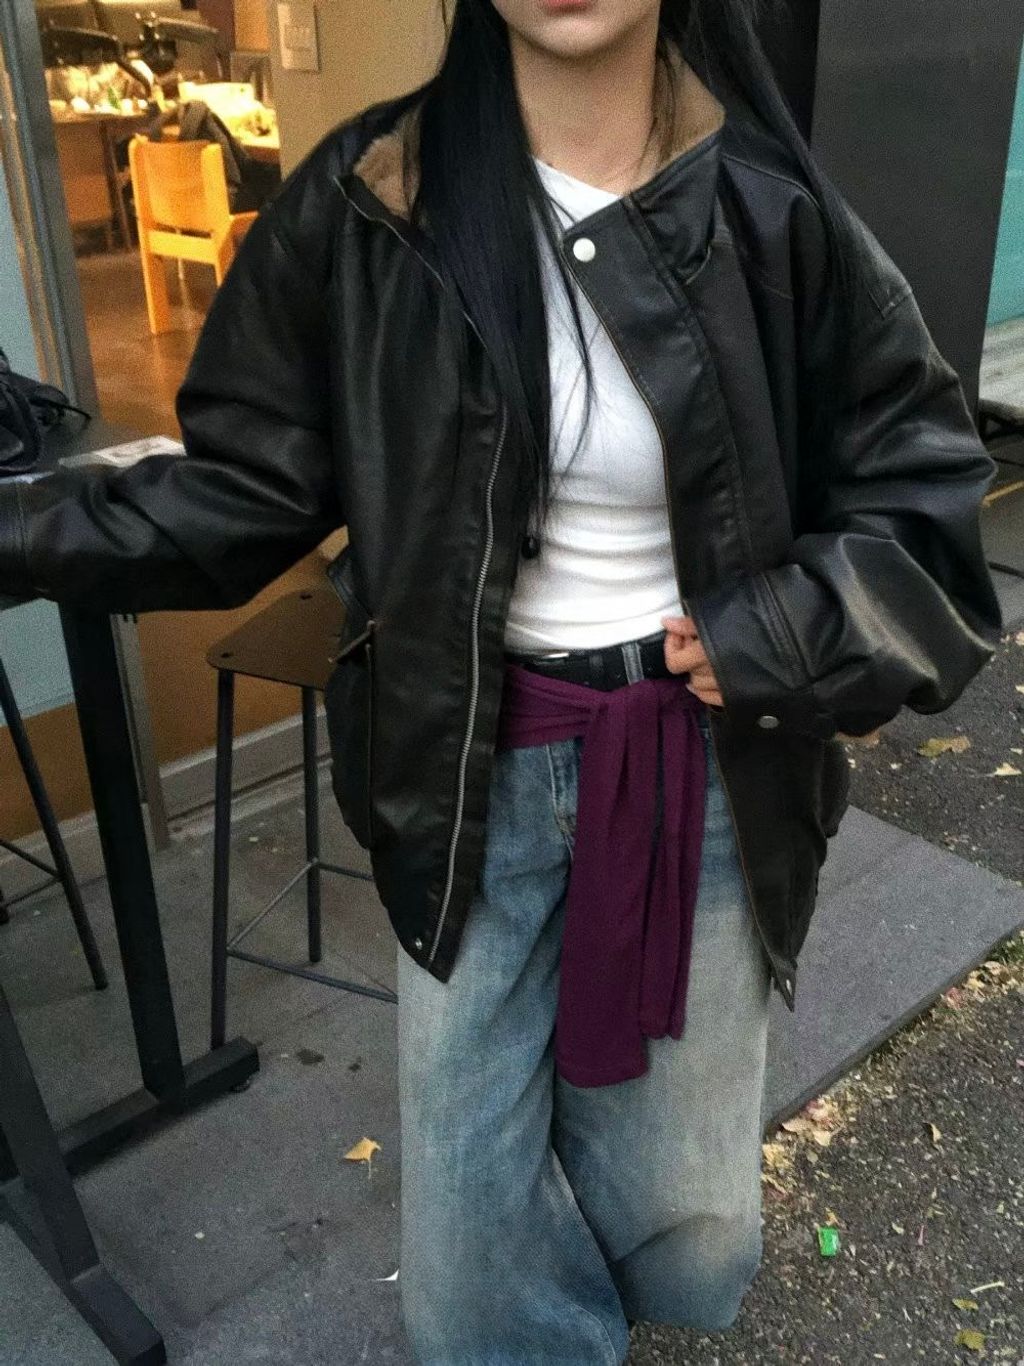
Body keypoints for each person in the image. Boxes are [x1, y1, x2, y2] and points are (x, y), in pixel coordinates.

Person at [0, 1, 1003, 1361]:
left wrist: (781, 628)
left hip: (701, 769)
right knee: (469, 1266)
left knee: (686, 1218)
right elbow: (240, 490)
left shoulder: (769, 211)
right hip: (468, 769)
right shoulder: (373, 201)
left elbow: (923, 502)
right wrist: (21, 526)